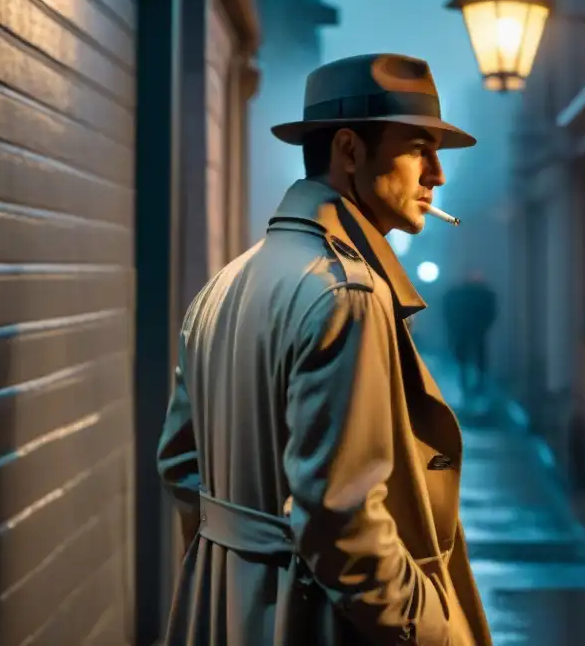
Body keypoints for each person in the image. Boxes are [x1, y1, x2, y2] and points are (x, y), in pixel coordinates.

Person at [156, 53, 493, 645]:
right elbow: (344, 523)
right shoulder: (347, 293)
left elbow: (182, 469)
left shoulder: (225, 283)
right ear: (350, 151)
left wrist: (236, 562)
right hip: (311, 622)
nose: (436, 174)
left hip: (222, 613)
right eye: (418, 147)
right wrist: (438, 631)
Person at [442, 272, 497, 415]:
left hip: (469, 331)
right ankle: (473, 388)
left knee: (470, 361)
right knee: (474, 361)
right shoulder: (482, 295)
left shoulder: (459, 295)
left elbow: (449, 311)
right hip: (472, 332)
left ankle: (472, 388)